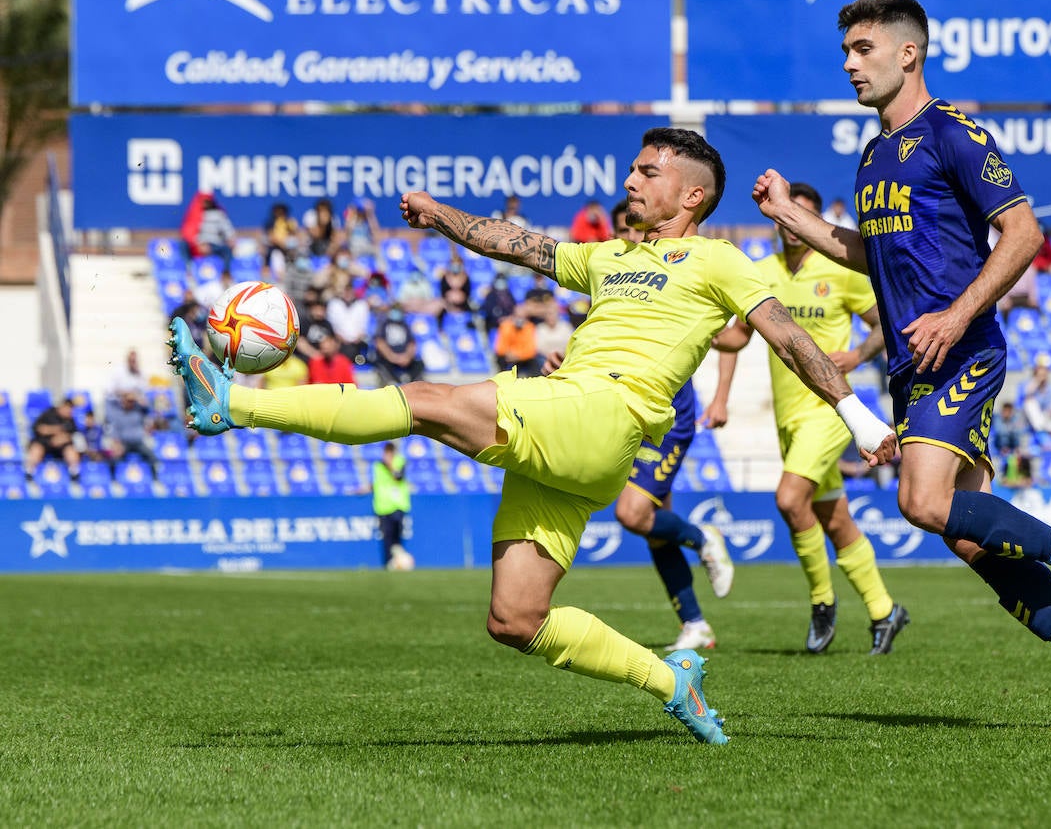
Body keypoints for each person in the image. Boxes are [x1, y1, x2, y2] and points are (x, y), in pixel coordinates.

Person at [166, 126, 898, 746]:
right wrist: (437, 213)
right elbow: (515, 243)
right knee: (515, 618)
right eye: (635, 168)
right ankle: (670, 679)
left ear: (692, 195)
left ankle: (232, 405)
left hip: (603, 414)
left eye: (649, 171)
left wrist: (859, 416)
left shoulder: (720, 261)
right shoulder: (611, 257)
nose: (631, 180)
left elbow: (787, 339)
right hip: (577, 434)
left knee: (424, 400)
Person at [753, 0, 1051, 731]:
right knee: (968, 534)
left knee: (921, 504)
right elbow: (871, 254)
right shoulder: (874, 155)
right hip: (910, 365)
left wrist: (959, 312)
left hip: (961, 349)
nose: (848, 65)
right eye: (845, 53)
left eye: (862, 50)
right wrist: (792, 215)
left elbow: (1024, 233)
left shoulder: (953, 132)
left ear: (909, 53)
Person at [709, 181, 908, 654]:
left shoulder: (838, 270)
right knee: (833, 518)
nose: (793, 225)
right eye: (786, 214)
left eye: (804, 216)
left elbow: (884, 320)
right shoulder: (760, 273)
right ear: (776, 219)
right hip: (788, 415)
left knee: (789, 498)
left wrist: (858, 355)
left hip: (827, 411)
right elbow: (738, 337)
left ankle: (822, 604)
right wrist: (713, 369)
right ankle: (884, 610)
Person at [542, 203, 734, 653]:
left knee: (632, 514)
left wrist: (723, 393)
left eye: (639, 229)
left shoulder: (681, 270)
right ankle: (695, 623)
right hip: (622, 408)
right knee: (649, 522)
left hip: (667, 414)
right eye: (625, 231)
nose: (633, 238)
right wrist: (566, 361)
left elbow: (732, 335)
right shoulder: (613, 273)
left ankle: (705, 537)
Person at [371, 442, 415, 571]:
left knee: (397, 536)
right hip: (382, 506)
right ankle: (389, 564)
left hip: (397, 505)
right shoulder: (378, 466)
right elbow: (377, 483)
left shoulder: (400, 462)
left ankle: (398, 562)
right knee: (386, 537)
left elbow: (398, 477)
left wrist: (390, 465)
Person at [25, 398, 81, 483]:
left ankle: (74, 473)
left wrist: (62, 438)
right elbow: (38, 428)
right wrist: (56, 430)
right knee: (36, 449)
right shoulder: (48, 414)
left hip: (61, 447)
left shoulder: (70, 420)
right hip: (44, 443)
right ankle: (29, 473)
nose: (70, 412)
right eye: (68, 409)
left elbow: (73, 434)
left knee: (71, 451)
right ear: (62, 406)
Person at [372, 305, 425, 385]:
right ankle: (393, 383)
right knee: (381, 364)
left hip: (405, 357)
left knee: (419, 363)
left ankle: (412, 383)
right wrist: (392, 357)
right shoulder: (383, 324)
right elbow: (379, 342)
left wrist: (407, 357)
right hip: (389, 357)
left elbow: (412, 343)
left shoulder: (404, 325)